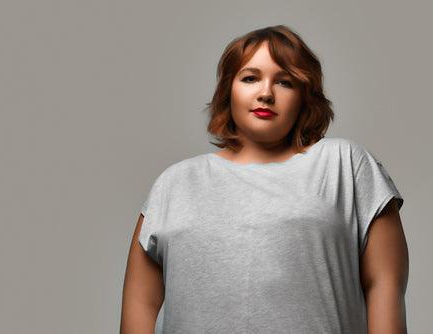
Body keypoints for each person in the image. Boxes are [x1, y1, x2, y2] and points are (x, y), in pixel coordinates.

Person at [120, 25, 408, 333]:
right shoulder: (174, 183)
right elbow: (141, 305)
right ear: (228, 90)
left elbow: (385, 285)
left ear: (305, 97)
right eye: (250, 78)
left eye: (285, 82)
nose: (266, 93)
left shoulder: (345, 164)